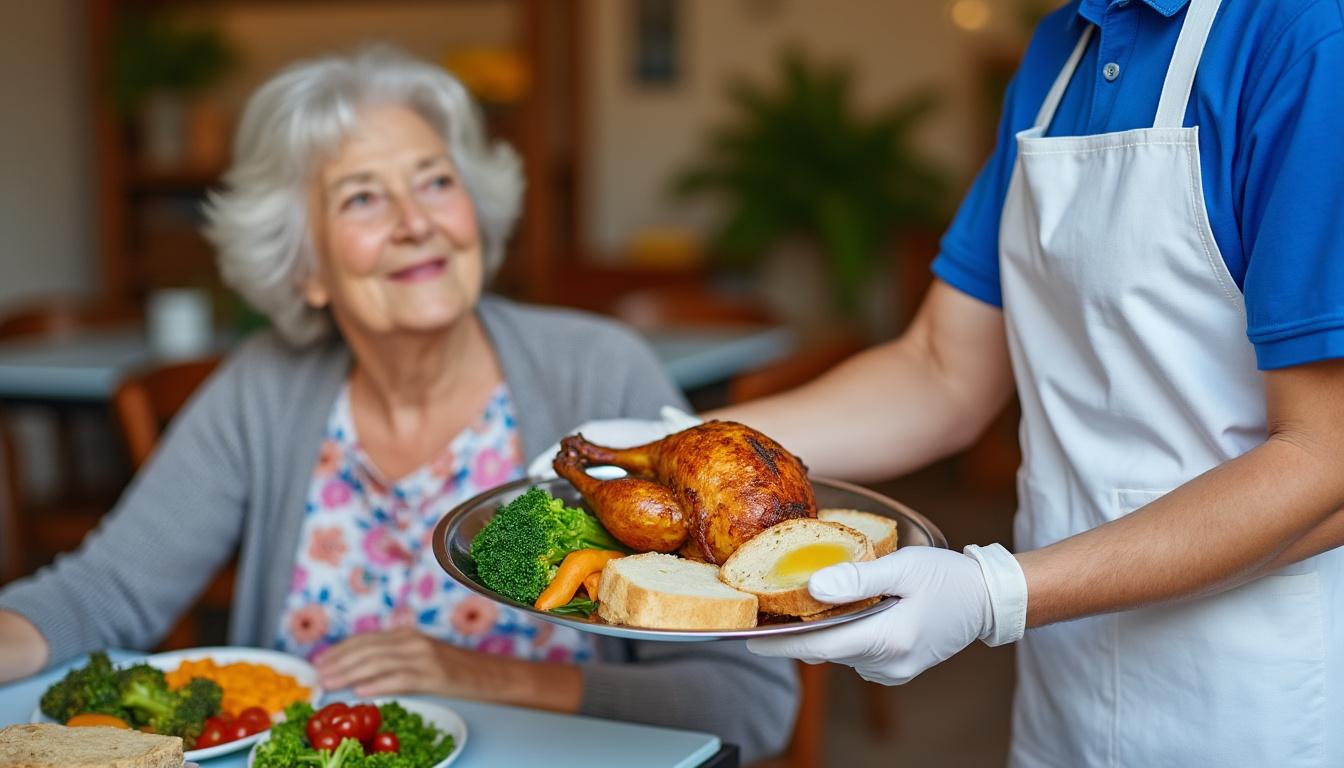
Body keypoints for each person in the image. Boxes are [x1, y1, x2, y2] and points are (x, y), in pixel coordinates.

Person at [546, 1, 1344, 765]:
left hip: (1258, 692)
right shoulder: (1059, 50)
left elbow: (1326, 454)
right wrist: (656, 448)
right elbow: (941, 368)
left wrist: (996, 593)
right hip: (1065, 675)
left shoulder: (1307, 38)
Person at [0, 47, 796, 762]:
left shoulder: (596, 373)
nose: (416, 222)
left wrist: (483, 676)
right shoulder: (262, 387)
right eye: (361, 200)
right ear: (305, 267)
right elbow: (106, 591)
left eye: (435, 182)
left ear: (474, 213)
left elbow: (751, 704)